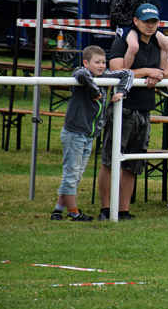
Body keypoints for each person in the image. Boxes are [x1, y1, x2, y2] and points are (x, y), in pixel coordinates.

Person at [97, 4, 166, 221]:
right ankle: (106, 210)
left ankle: (123, 211)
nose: (150, 25)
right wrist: (147, 71)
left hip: (145, 110)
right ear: (135, 21)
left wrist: (159, 75)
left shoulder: (158, 43)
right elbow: (116, 71)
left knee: (133, 164)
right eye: (146, 21)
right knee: (110, 160)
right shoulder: (123, 42)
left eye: (154, 21)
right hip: (122, 108)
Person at [51, 46, 133, 222]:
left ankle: (58, 210)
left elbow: (128, 74)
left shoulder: (104, 76)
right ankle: (74, 212)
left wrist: (121, 92)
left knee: (76, 173)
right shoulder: (81, 73)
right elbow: (81, 74)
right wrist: (94, 90)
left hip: (89, 135)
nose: (102, 66)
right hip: (74, 133)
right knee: (72, 173)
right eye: (97, 62)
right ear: (86, 62)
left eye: (104, 62)